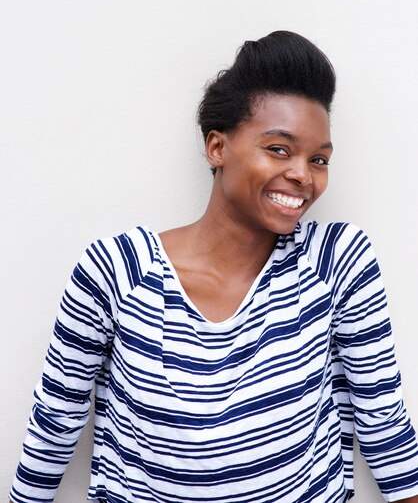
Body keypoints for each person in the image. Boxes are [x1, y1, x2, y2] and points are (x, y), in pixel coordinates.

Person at [9, 31, 418, 503]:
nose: (304, 175)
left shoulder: (335, 262)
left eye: (319, 159)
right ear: (217, 148)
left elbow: (385, 423)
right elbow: (54, 425)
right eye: (280, 149)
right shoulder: (116, 271)